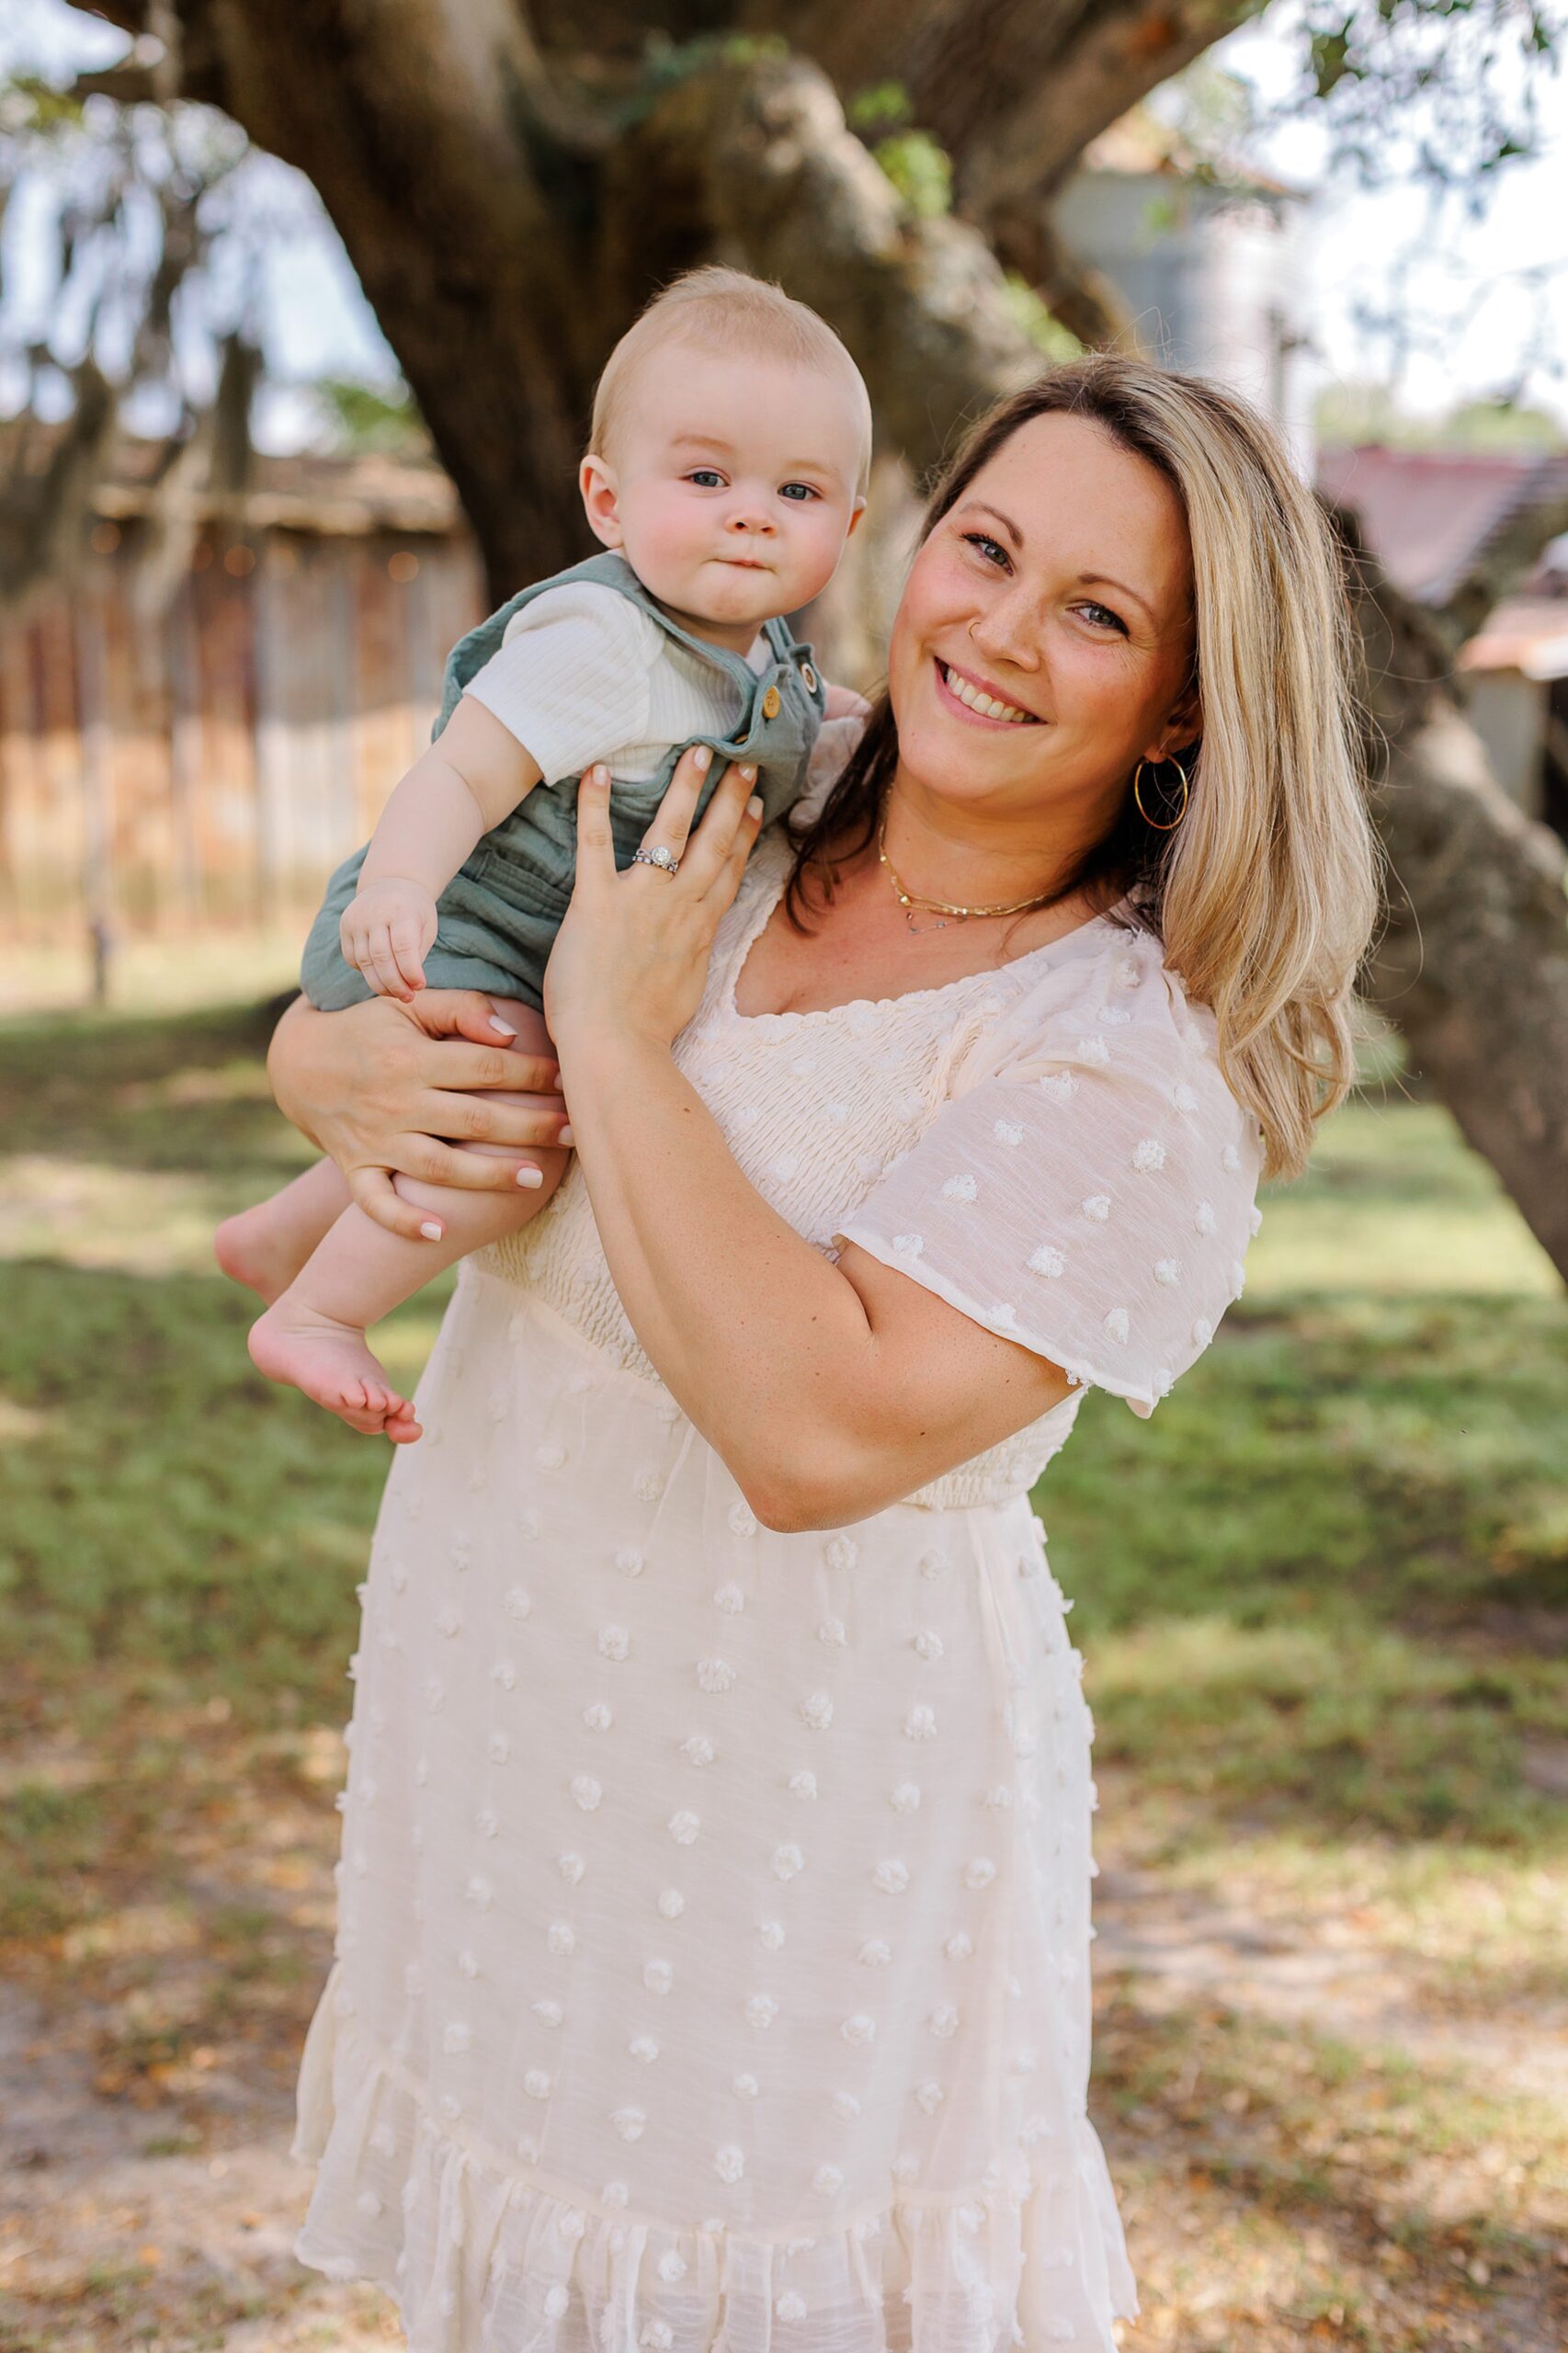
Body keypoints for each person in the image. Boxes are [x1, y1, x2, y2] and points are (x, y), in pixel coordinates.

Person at [275, 355, 1381, 2353]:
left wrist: (616, 1037)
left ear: (1189, 707)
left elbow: (812, 1427)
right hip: (510, 1690)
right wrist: (318, 1053)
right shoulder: (742, 786)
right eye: (986, 548)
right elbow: (420, 987)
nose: (1002, 631)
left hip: (790, 1808)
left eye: (1099, 613)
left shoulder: (1120, 1065)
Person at [215, 267, 870, 1439]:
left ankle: (280, 1236)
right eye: (707, 476)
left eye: (798, 489)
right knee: (518, 1117)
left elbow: (765, 740)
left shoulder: (759, 653)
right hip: (462, 922)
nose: (751, 511)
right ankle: (317, 1310)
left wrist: (835, 730)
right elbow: (460, 770)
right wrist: (401, 888)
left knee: (499, 1095)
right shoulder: (600, 635)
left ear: (849, 527)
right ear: (606, 501)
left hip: (537, 945)